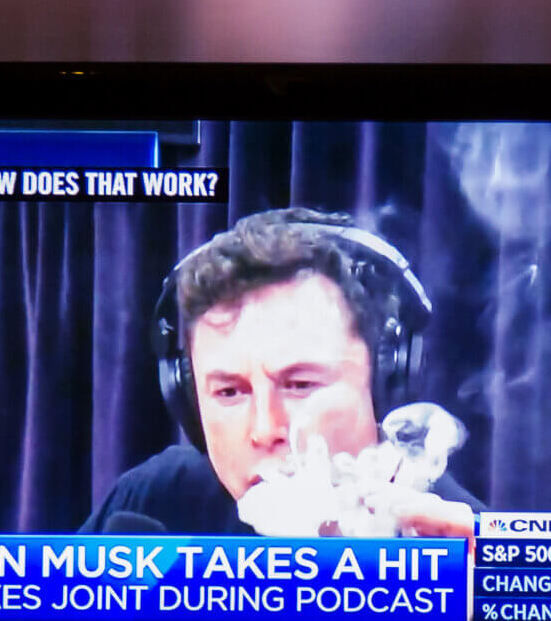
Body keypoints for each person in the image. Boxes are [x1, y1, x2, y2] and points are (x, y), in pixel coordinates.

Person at [81, 208, 482, 536]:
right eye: (229, 392)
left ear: (383, 384)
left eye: (299, 385)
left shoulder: (463, 553)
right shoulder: (155, 504)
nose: (263, 429)